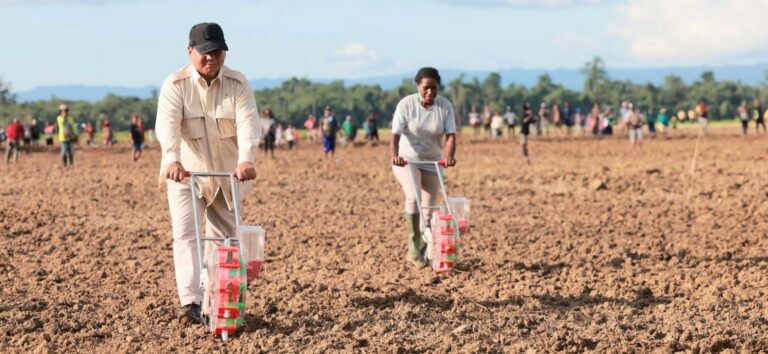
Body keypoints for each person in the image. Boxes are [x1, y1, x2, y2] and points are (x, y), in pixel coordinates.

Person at [155, 22, 260, 324]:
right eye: (203, 52)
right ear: (190, 52)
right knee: (186, 234)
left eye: (216, 51)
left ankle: (219, 294)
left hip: (228, 175)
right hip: (186, 173)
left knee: (226, 239)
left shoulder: (238, 84)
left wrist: (246, 159)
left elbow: (248, 123)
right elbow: (168, 126)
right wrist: (171, 160)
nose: (210, 58)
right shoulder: (175, 85)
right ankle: (190, 301)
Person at [390, 67, 457, 268]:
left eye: (434, 88)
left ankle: (423, 250)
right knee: (413, 196)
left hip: (433, 161)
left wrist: (449, 157)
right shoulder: (406, 105)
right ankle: (413, 244)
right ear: (418, 86)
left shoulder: (445, 106)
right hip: (407, 160)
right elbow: (395, 135)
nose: (430, 93)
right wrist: (395, 156)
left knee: (429, 208)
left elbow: (451, 135)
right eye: (426, 88)